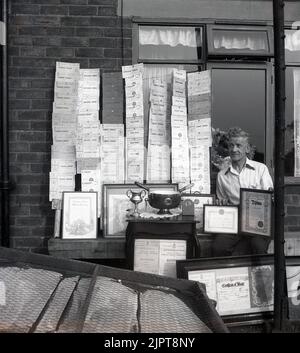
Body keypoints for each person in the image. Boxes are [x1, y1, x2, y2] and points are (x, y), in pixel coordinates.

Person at [212, 127, 274, 257]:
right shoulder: (222, 175)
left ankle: (259, 276)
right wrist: (222, 203)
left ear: (247, 149)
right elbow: (222, 201)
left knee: (258, 247)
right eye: (231, 145)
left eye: (239, 145)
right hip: (234, 222)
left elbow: (269, 198)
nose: (234, 149)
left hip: (257, 221)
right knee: (218, 247)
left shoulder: (260, 169)